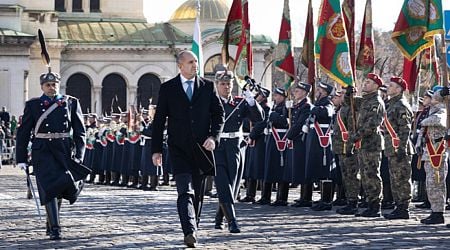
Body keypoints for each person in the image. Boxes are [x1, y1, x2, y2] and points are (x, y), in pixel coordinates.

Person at [151, 50, 224, 248]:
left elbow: (219, 115)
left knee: (198, 194)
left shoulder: (207, 87)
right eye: (191, 62)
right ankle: (189, 231)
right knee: (185, 190)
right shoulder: (168, 88)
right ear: (180, 65)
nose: (195, 65)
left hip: (201, 149)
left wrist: (213, 137)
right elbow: (159, 121)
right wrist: (156, 149)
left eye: (196, 62)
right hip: (178, 148)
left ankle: (194, 227)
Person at [15, 70, 86, 240]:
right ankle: (55, 227)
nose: (51, 88)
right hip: (43, 151)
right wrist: (21, 158)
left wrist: (80, 154)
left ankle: (50, 222)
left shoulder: (70, 103)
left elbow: (80, 131)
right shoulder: (33, 105)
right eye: (48, 85)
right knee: (49, 188)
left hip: (63, 150)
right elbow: (23, 132)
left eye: (54, 84)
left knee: (60, 187)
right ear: (42, 87)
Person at [212, 65, 263, 233]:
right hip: (217, 147)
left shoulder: (239, 103)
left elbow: (259, 118)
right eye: (223, 84)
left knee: (232, 185)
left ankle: (220, 216)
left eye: (229, 84)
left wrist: (251, 101)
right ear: (217, 84)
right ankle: (232, 221)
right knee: (222, 183)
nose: (226, 87)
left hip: (235, 147)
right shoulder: (211, 103)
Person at [345, 73, 384, 217]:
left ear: (376, 86)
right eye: (365, 81)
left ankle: (375, 206)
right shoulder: (365, 100)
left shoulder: (376, 102)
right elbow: (349, 104)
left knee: (372, 174)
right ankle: (370, 204)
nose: (365, 84)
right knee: (366, 175)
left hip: (371, 143)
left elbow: (372, 125)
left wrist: (356, 136)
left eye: (368, 82)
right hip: (363, 143)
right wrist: (348, 94)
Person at [382, 76, 413, 220]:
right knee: (395, 178)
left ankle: (404, 208)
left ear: (399, 89)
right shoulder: (391, 104)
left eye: (391, 85)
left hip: (400, 148)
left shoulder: (401, 105)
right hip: (392, 148)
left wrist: (401, 148)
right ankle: (398, 205)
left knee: (402, 178)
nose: (388, 87)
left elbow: (405, 129)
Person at [417, 88, 448, 224]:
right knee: (430, 184)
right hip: (428, 152)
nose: (430, 99)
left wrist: (424, 121)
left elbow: (439, 121)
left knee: (436, 183)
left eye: (433, 97)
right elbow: (422, 132)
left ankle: (438, 213)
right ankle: (434, 211)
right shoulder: (430, 111)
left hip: (437, 152)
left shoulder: (443, 110)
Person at [304, 82, 335, 211]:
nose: (317, 91)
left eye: (320, 90)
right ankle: (322, 198)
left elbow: (327, 113)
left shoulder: (327, 102)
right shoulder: (318, 103)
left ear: (325, 92)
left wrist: (313, 108)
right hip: (314, 139)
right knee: (316, 168)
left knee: (324, 169)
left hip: (322, 140)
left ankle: (327, 201)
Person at [286, 82, 312, 207]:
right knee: (299, 168)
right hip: (297, 140)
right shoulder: (299, 105)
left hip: (302, 140)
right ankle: (302, 196)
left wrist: (289, 136)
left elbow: (299, 124)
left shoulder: (306, 106)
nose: (295, 93)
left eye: (298, 91)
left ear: (304, 93)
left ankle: (306, 197)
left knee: (303, 168)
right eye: (295, 91)